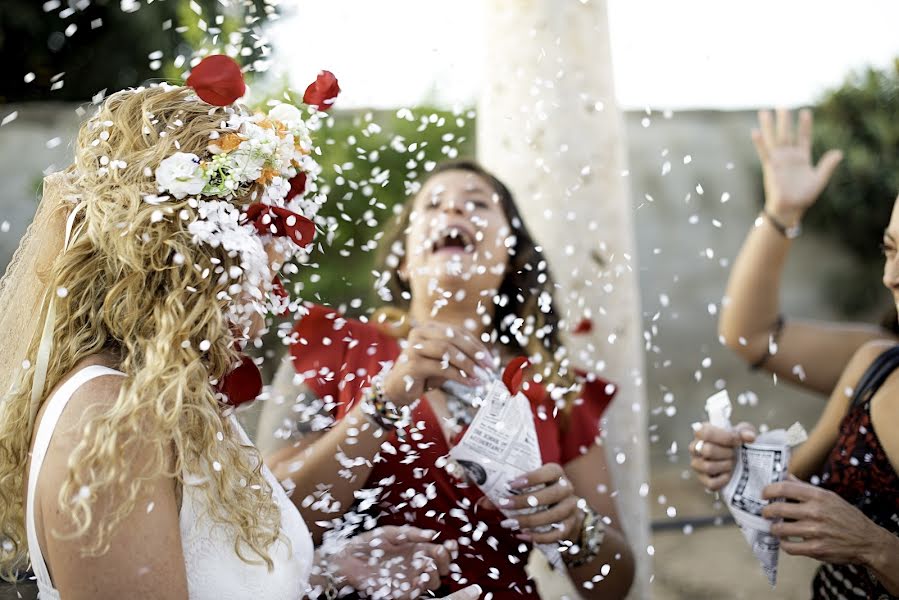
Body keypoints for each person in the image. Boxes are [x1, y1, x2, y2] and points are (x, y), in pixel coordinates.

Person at [0, 58, 481, 600]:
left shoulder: (171, 405)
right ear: (205, 253)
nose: (275, 298)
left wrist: (325, 574)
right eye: (269, 267)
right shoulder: (111, 421)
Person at [258, 160, 635, 599]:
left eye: (476, 204)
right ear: (403, 260)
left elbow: (611, 588)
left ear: (511, 255)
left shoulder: (554, 388)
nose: (453, 212)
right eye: (433, 205)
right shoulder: (337, 346)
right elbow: (272, 521)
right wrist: (388, 397)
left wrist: (575, 528)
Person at [691, 108, 899, 598]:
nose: (892, 276)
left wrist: (876, 547)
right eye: (891, 249)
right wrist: (738, 464)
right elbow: (751, 337)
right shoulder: (876, 365)